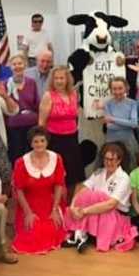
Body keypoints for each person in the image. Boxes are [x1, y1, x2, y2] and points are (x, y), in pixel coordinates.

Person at [62, 142, 138, 253]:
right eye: (106, 159)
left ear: (119, 160)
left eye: (112, 159)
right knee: (85, 193)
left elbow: (110, 204)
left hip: (113, 214)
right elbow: (82, 188)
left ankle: (80, 233)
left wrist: (84, 211)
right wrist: (73, 206)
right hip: (95, 212)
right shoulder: (99, 172)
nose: (108, 162)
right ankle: (80, 234)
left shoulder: (124, 178)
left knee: (98, 195)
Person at [11, 126, 67, 254]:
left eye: (42, 140)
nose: (39, 144)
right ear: (30, 143)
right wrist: (28, 212)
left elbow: (59, 185)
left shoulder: (56, 158)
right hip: (28, 204)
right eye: (35, 141)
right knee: (32, 232)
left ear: (47, 142)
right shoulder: (21, 162)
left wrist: (55, 209)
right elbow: (18, 190)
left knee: (52, 229)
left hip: (51, 202)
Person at [39, 65, 83, 200]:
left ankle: (69, 204)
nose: (59, 81)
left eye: (62, 78)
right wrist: (42, 144)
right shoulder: (48, 96)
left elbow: (76, 116)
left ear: (67, 79)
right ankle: (54, 205)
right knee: (56, 175)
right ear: (52, 80)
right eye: (56, 78)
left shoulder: (74, 94)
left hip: (72, 140)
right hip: (55, 141)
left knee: (73, 175)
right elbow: (41, 122)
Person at [5, 54, 40, 165]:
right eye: (14, 64)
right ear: (10, 67)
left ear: (25, 65)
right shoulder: (6, 84)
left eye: (20, 63)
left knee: (32, 156)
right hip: (14, 127)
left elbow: (36, 105)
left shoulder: (31, 82)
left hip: (31, 126)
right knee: (17, 157)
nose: (17, 66)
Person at [102, 77, 139, 170]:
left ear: (126, 88)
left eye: (120, 88)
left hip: (129, 143)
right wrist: (126, 122)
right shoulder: (108, 104)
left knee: (130, 169)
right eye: (114, 89)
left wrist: (113, 119)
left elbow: (134, 123)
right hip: (111, 142)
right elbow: (109, 126)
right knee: (112, 169)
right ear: (111, 90)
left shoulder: (132, 103)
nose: (117, 91)